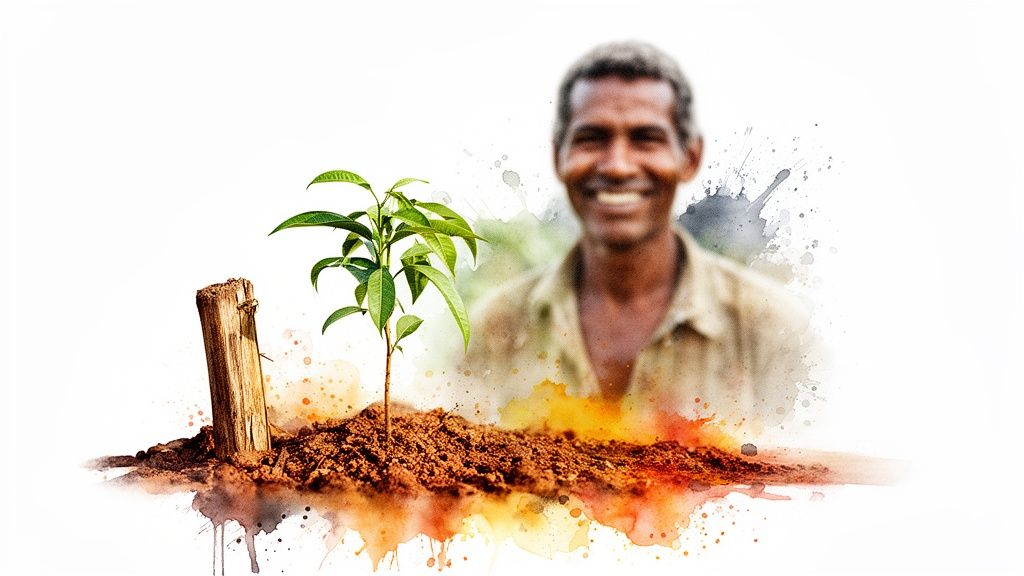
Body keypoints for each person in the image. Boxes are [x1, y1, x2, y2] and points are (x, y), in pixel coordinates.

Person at [460, 41, 815, 435]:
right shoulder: (493, 330)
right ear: (559, 155)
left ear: (690, 157)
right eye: (592, 138)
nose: (617, 166)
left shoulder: (775, 333)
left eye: (646, 138)